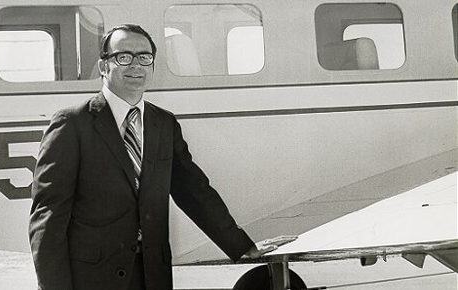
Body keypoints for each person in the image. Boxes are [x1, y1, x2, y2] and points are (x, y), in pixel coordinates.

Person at [29, 24, 296, 290]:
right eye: (124, 57)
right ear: (103, 66)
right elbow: (48, 217)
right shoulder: (72, 124)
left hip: (152, 275)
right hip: (92, 278)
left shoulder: (163, 124)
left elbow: (193, 191)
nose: (136, 65)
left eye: (144, 57)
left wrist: (242, 246)